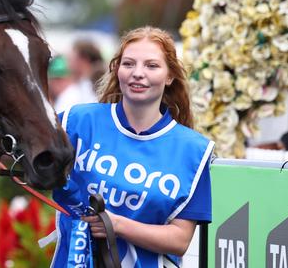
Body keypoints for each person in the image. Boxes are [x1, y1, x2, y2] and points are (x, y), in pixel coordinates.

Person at [51, 27, 214, 267]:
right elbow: (15, 156)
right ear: (117, 70)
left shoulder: (193, 150)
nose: (138, 73)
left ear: (169, 76)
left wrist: (117, 225)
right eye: (128, 64)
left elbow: (180, 239)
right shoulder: (77, 122)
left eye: (151, 66)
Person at [54, 40, 104, 114]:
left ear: (83, 60)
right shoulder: (75, 88)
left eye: (70, 59)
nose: (68, 64)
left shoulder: (95, 88)